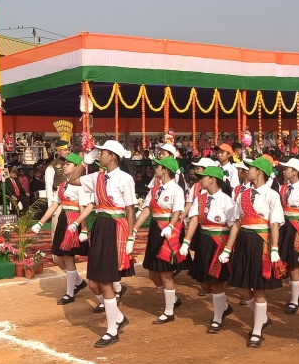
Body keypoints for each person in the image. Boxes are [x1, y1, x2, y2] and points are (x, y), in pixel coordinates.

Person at [74, 140, 137, 347]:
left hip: (115, 228)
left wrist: (130, 237)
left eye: (102, 152)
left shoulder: (125, 179)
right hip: (100, 226)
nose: (98, 155)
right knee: (93, 282)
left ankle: (112, 330)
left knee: (105, 281)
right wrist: (84, 162)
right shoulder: (96, 177)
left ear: (112, 156)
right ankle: (118, 317)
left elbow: (130, 210)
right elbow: (73, 179)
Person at [222, 157, 284, 348]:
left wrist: (274, 248)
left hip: (261, 243)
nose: (247, 171)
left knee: (258, 288)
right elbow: (237, 223)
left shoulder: (272, 195)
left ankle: (257, 331)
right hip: (244, 241)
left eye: (250, 168)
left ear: (259, 172)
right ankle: (262, 318)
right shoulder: (243, 194)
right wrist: (227, 248)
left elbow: (275, 224)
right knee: (241, 287)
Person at [131, 156, 186, 324]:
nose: (155, 168)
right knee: (153, 272)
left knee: (165, 272)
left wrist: (171, 226)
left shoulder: (176, 189)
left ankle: (169, 311)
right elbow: (147, 209)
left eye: (158, 166)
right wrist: (135, 228)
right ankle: (173, 299)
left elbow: (177, 211)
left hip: (168, 230)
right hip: (156, 229)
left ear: (165, 170)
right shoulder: (155, 189)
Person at [181, 165, 236, 332]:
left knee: (216, 283)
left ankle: (217, 318)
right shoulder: (199, 199)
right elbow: (194, 220)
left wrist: (228, 249)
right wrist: (186, 241)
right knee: (203, 283)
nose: (200, 179)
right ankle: (224, 306)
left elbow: (234, 226)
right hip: (204, 241)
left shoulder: (227, 201)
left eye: (204, 177)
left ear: (212, 179)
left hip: (219, 242)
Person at [31, 152, 90, 304]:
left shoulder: (81, 186)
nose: (64, 166)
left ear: (77, 167)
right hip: (63, 220)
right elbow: (54, 205)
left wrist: (84, 229)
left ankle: (70, 293)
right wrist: (40, 222)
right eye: (64, 163)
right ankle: (78, 282)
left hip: (73, 221)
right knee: (57, 258)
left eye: (68, 164)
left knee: (68, 258)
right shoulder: (63, 185)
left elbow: (83, 208)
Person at [278, 158, 299, 314]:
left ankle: (294, 301)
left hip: (296, 228)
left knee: (293, 265)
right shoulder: (283, 188)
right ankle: (298, 290)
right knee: (283, 263)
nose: (284, 171)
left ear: (295, 172)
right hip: (284, 226)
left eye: (287, 169)